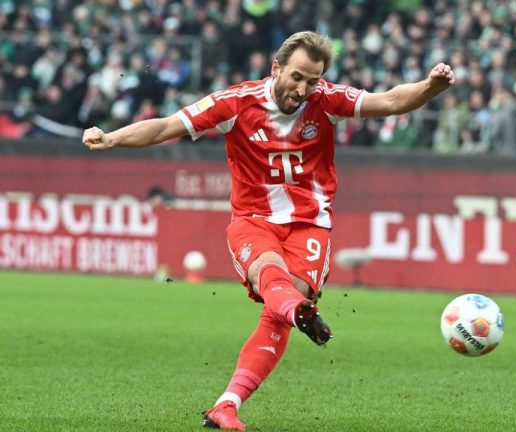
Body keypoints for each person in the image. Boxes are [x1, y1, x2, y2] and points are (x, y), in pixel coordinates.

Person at [81, 31, 454, 431]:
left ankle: (227, 404)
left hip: (310, 223)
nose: (304, 88)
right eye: (297, 77)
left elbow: (393, 101)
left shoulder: (326, 100)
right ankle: (298, 311)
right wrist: (111, 139)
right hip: (253, 220)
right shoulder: (235, 103)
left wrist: (430, 86)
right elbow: (165, 127)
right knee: (274, 280)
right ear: (276, 68)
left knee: (283, 304)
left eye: (312, 80)